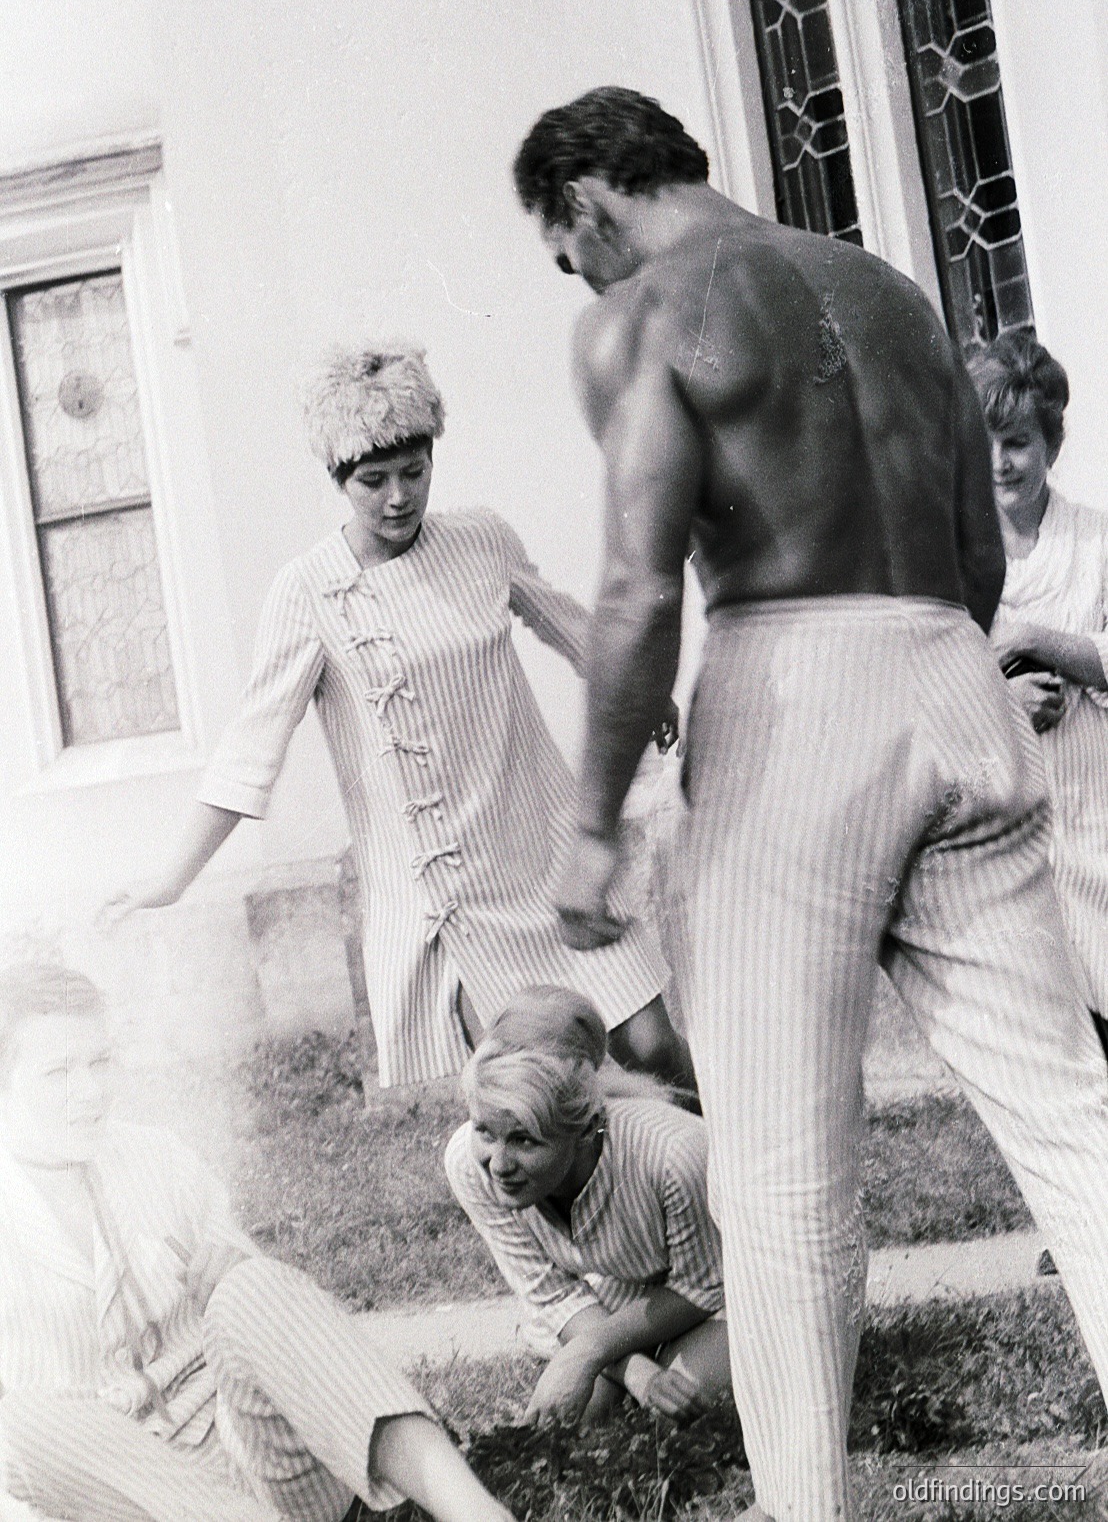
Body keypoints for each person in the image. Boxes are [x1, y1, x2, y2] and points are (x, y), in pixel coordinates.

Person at [512, 85, 1108, 1521]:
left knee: (777, 1178)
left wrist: (592, 825)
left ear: (591, 200)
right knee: (1077, 1122)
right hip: (950, 672)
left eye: (564, 251)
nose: (577, 280)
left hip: (796, 682)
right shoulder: (897, 298)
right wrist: (928, 689)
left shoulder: (645, 311)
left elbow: (642, 581)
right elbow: (973, 559)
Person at [102, 342, 693, 1094]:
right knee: (539, 1092)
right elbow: (249, 750)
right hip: (457, 895)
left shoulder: (480, 538)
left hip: (544, 848)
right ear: (337, 479)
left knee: (654, 1049)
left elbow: (569, 624)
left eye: (414, 471)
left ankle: (716, 1203)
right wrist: (173, 876)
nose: (397, 497)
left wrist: (642, 693)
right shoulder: (308, 591)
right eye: (372, 481)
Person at [0, 963, 515, 1522]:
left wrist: (232, 1271)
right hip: (116, 1494)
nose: (91, 1091)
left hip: (251, 1455)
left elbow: (269, 1325)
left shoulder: (154, 1157)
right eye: (58, 1072)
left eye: (100, 1062)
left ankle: (475, 1513)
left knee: (253, 1285)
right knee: (26, 1420)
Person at [444, 986, 730, 1429]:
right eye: (485, 1131)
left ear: (585, 1128)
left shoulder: (673, 1151)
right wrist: (633, 1371)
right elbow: (552, 1292)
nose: (498, 1165)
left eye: (524, 1139)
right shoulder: (469, 1163)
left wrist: (588, 1353)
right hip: (617, 1297)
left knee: (679, 1413)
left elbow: (705, 1284)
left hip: (722, 1288)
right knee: (574, 1421)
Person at [970, 330, 1108, 1059]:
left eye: (1018, 440)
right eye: (987, 442)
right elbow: (935, 689)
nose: (1001, 462)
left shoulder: (1096, 544)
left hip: (1099, 816)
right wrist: (1005, 705)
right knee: (1055, 1050)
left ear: (1050, 442)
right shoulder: (960, 562)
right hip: (1015, 835)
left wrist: (1036, 640)